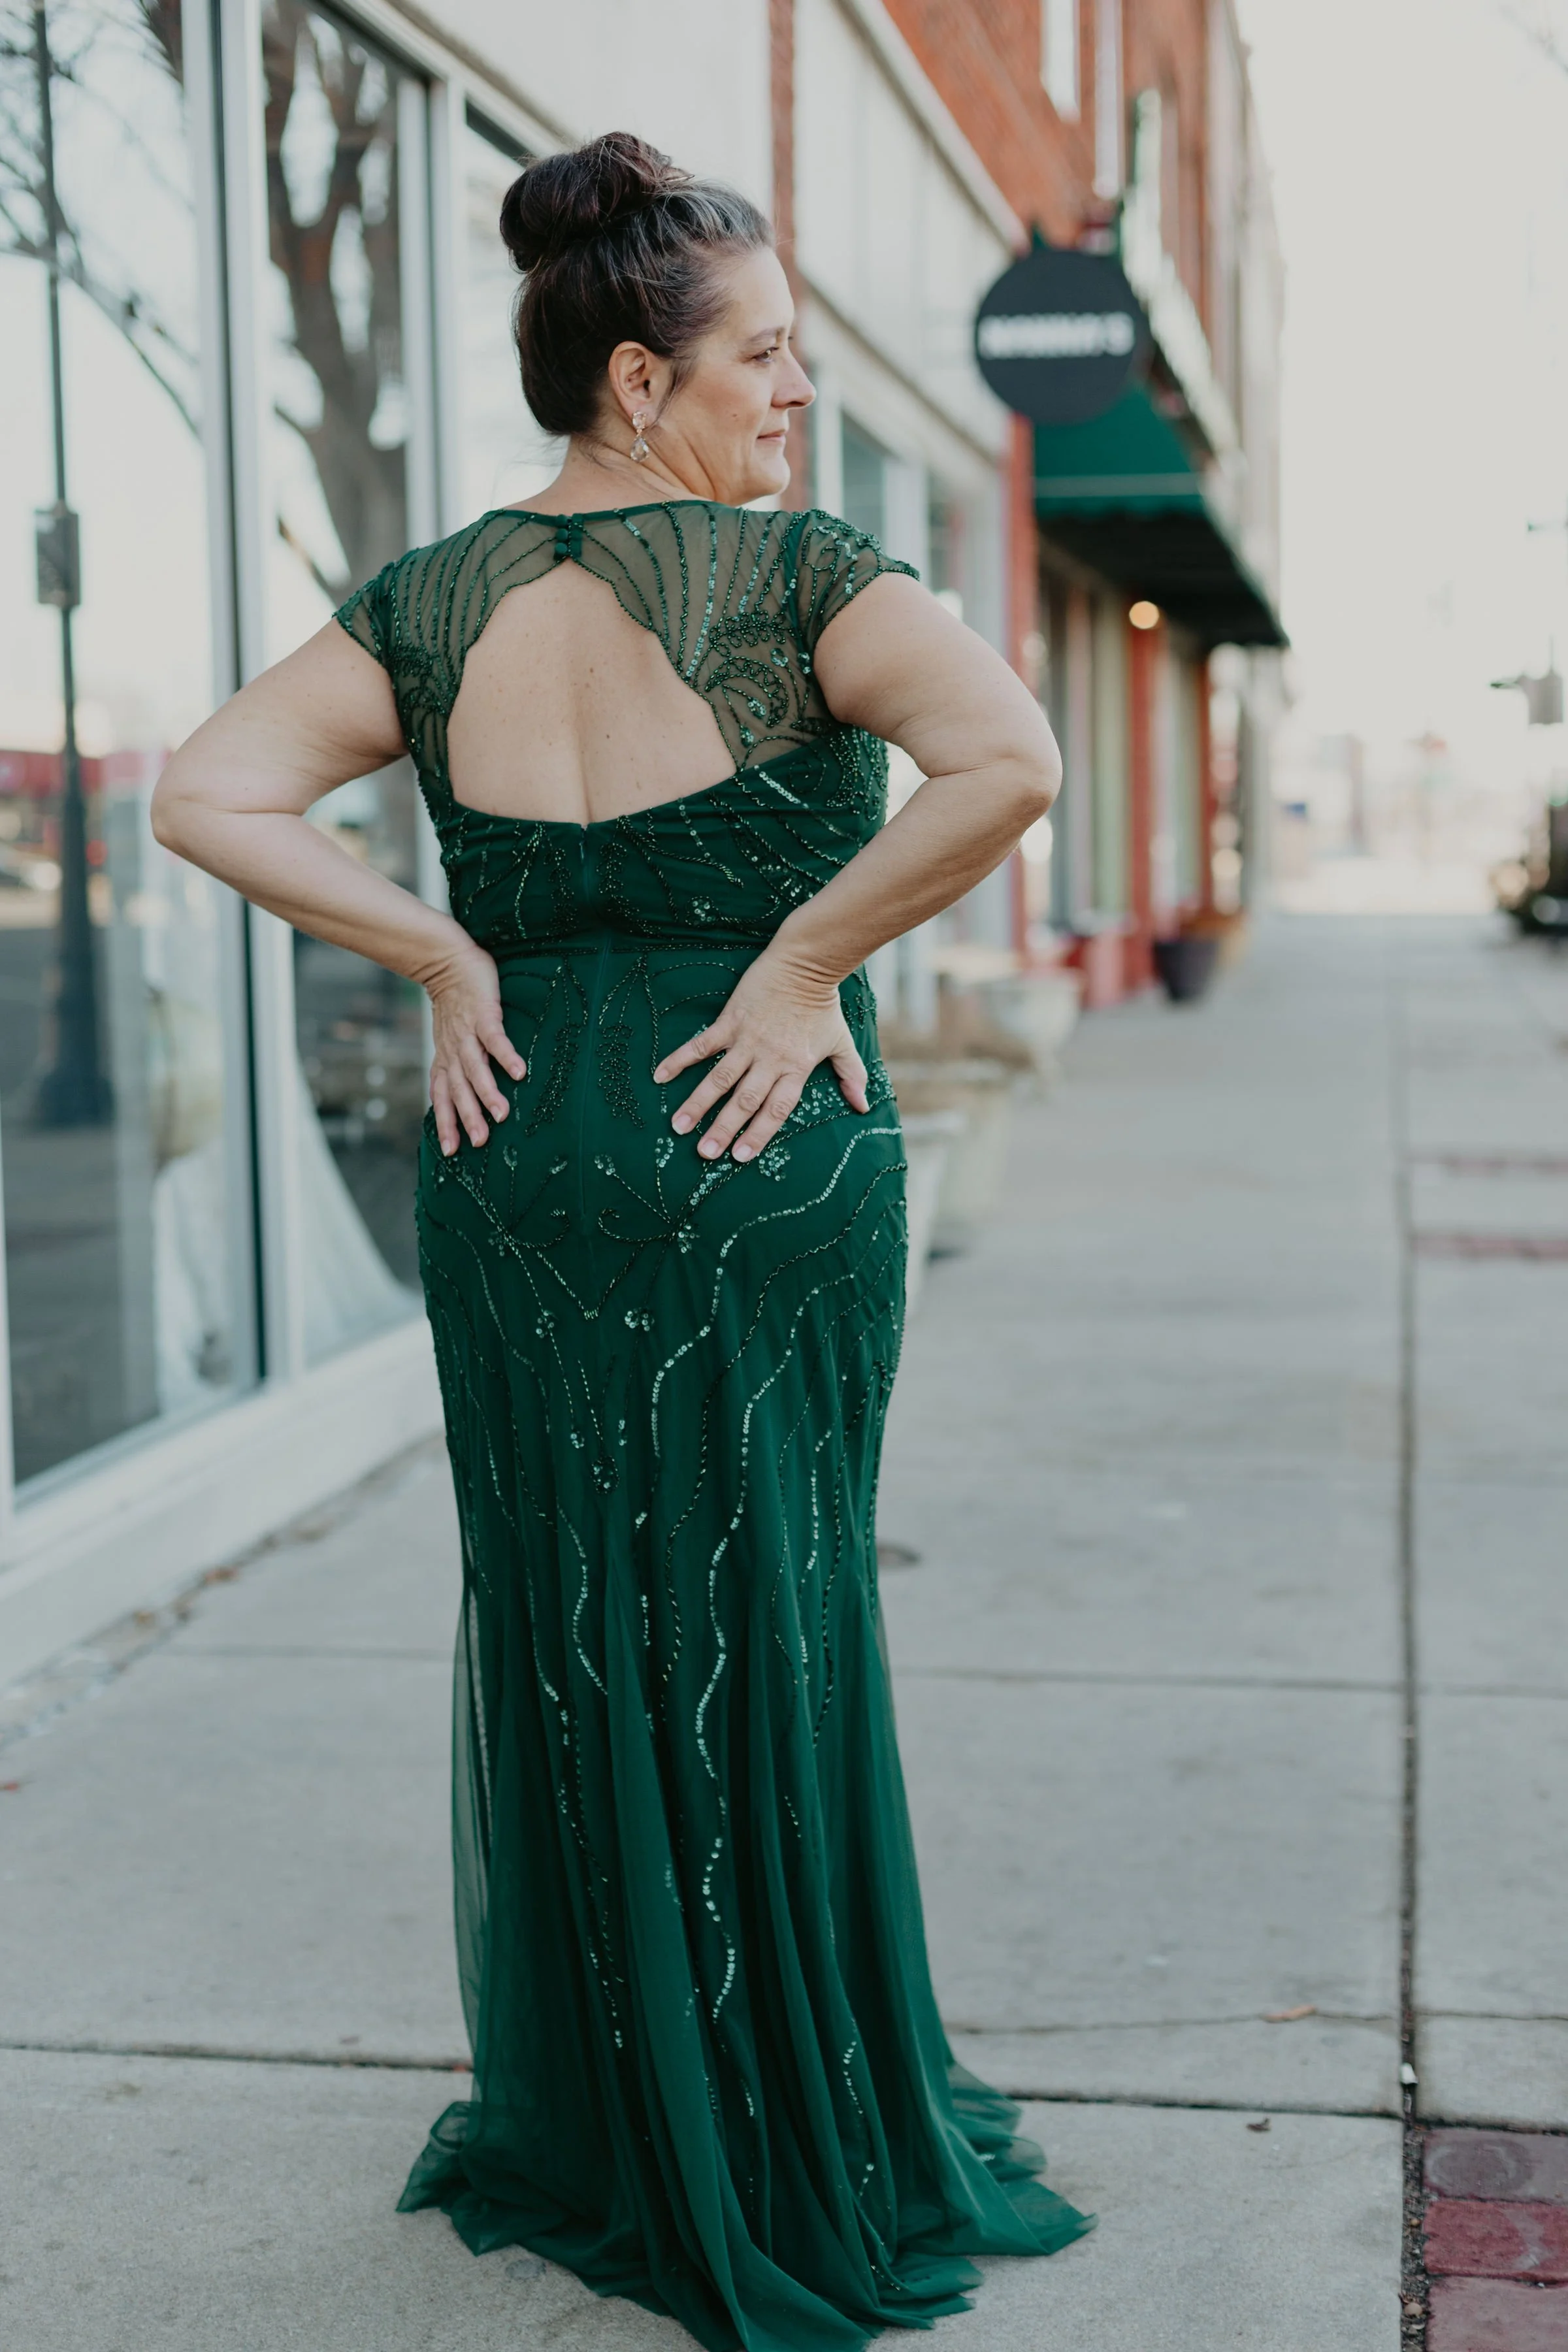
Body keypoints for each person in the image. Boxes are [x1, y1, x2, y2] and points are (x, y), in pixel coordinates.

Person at [153, 129, 1092, 2352]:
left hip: (521, 1167)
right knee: (774, 1612)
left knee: (578, 1624)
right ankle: (781, 2135)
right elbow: (1012, 763)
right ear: (637, 382)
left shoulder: (436, 599)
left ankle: (625, 2120)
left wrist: (442, 956)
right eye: (762, 355)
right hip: (761, 1155)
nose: (793, 394)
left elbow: (206, 789)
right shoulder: (798, 578)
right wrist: (794, 967)